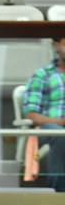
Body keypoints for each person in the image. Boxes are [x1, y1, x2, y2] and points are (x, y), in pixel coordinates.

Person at [21, 34, 65, 192]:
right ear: (56, 45)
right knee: (61, 135)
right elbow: (31, 115)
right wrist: (60, 122)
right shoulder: (43, 75)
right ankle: (60, 192)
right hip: (49, 128)